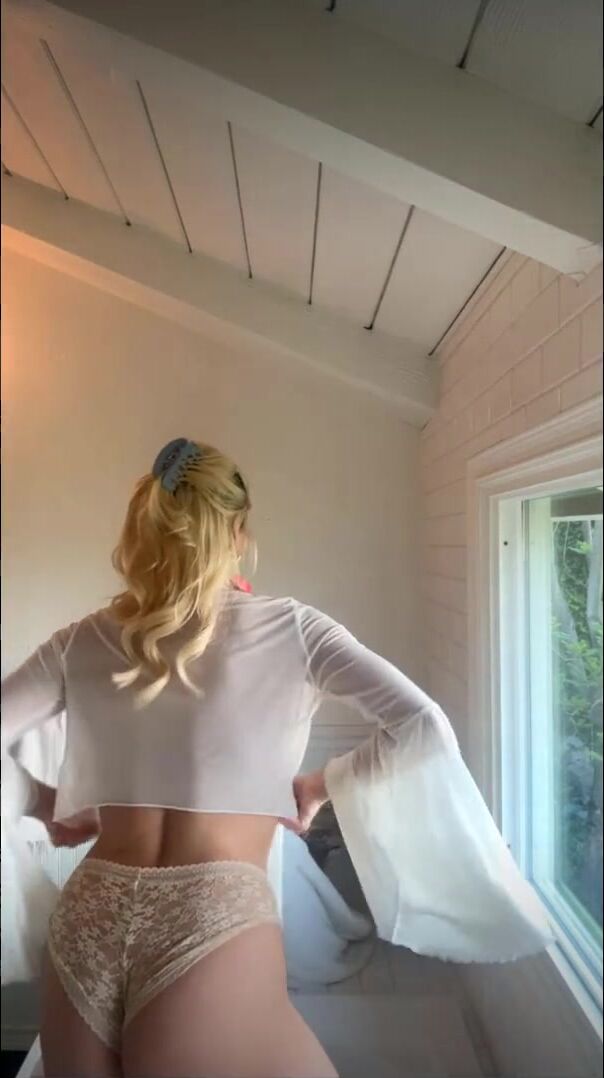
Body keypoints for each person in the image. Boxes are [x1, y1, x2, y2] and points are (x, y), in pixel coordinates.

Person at [1, 437, 554, 1078]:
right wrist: (320, 784)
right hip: (210, 917)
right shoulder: (295, 628)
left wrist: (44, 802)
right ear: (238, 532)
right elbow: (422, 724)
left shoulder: (80, 640)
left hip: (89, 917)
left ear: (143, 531)